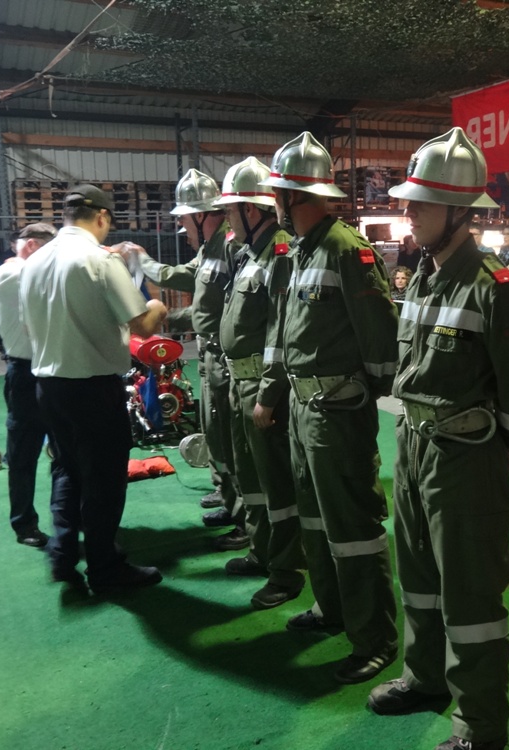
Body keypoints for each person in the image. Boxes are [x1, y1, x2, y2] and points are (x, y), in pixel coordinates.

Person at [366, 127, 509, 750]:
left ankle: (480, 727)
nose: (408, 213)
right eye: (408, 201)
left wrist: (499, 439)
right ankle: (425, 677)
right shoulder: (425, 276)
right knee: (417, 577)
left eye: (422, 203)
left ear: (460, 210)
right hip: (413, 448)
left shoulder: (495, 288)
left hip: (463, 462)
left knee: (469, 597)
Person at [258, 131, 400, 684]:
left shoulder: (345, 249)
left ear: (294, 195)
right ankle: (332, 607)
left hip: (336, 413)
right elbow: (286, 332)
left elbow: (379, 337)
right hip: (304, 409)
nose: (274, 202)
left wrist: (362, 396)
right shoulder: (301, 250)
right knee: (316, 518)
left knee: (352, 525)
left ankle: (374, 639)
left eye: (278, 193)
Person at [19, 184, 167, 593]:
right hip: (93, 389)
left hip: (49, 386)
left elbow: (29, 324)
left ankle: (63, 555)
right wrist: (158, 305)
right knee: (104, 480)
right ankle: (105, 568)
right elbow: (142, 326)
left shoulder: (35, 260)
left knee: (67, 470)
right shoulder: (101, 261)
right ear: (102, 217)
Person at [126, 169, 248, 552]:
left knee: (234, 439)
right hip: (211, 354)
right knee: (216, 431)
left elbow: (214, 307)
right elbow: (186, 284)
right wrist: (164, 315)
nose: (184, 230)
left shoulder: (230, 246)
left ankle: (245, 516)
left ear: (200, 214)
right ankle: (229, 498)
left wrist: (166, 313)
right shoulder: (210, 249)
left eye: (184, 219)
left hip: (228, 356)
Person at [213, 156, 305, 609]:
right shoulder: (250, 253)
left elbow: (280, 331)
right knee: (251, 478)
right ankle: (262, 550)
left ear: (252, 210)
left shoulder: (280, 253)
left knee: (276, 485)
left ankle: (286, 571)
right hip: (240, 384)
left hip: (263, 390)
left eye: (231, 210)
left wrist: (268, 394)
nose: (226, 219)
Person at [0, 222, 57, 548]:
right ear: (31, 246)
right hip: (26, 374)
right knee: (23, 456)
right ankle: (24, 524)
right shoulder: (11, 272)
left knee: (64, 452)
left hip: (54, 371)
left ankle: (68, 518)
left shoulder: (26, 269)